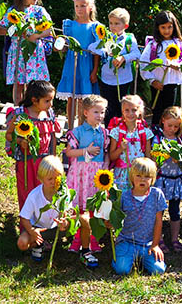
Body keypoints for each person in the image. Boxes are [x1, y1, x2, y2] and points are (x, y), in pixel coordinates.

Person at [17, 155, 98, 268]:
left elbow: (68, 211)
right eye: (50, 179)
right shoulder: (34, 195)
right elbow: (24, 217)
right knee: (22, 243)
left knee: (85, 219)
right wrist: (32, 231)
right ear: (41, 178)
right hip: (39, 230)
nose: (54, 182)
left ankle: (85, 251)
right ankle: (39, 245)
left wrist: (65, 222)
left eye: (57, 178)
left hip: (58, 228)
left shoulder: (64, 192)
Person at [5, 80, 61, 209]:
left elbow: (52, 137)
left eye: (51, 100)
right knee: (28, 193)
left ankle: (43, 224)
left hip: (45, 163)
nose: (51, 104)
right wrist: (20, 141)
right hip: (27, 163)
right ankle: (27, 225)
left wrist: (53, 158)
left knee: (46, 193)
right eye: (47, 101)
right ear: (35, 100)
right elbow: (9, 135)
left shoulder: (49, 114)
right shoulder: (21, 115)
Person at [64, 94, 108, 253]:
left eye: (102, 112)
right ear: (86, 113)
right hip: (81, 174)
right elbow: (69, 152)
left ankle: (94, 239)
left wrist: (106, 165)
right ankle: (77, 239)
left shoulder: (104, 133)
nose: (100, 116)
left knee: (95, 207)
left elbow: (106, 151)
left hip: (96, 175)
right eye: (96, 112)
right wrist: (85, 151)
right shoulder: (78, 132)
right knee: (79, 208)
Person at [0, 0, 54, 104]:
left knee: (34, 85)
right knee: (18, 83)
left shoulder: (39, 11)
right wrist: (14, 29)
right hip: (18, 51)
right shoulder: (13, 11)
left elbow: (49, 30)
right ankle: (18, 109)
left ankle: (32, 111)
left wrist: (35, 35)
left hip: (35, 52)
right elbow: (1, 30)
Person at [111, 157, 167, 276]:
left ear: (153, 178)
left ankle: (142, 258)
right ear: (132, 177)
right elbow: (116, 220)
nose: (142, 179)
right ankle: (124, 258)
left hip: (147, 243)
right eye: (138, 176)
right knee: (122, 270)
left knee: (158, 270)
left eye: (147, 177)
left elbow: (158, 222)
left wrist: (155, 244)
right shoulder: (124, 197)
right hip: (126, 241)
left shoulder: (156, 195)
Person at [89, 8, 141, 126]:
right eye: (111, 23)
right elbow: (92, 47)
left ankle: (122, 133)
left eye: (117, 23)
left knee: (122, 107)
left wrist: (123, 58)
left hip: (123, 79)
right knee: (108, 108)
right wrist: (104, 51)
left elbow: (137, 54)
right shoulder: (106, 37)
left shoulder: (129, 39)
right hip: (107, 79)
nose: (113, 26)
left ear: (125, 26)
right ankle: (109, 133)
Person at [55, 0, 100, 126]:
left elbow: (97, 52)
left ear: (90, 7)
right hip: (71, 63)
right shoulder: (70, 25)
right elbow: (65, 45)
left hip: (86, 65)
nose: (79, 9)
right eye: (77, 6)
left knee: (83, 99)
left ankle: (80, 126)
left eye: (83, 6)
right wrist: (60, 45)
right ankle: (69, 127)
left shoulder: (95, 27)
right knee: (71, 97)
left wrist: (95, 70)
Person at [140, 10, 182, 126]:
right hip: (158, 84)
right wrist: (152, 80)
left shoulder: (178, 43)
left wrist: (179, 66)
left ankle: (168, 135)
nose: (167, 31)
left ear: (174, 27)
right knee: (157, 112)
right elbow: (143, 63)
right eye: (163, 27)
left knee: (170, 112)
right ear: (158, 28)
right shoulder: (153, 44)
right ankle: (156, 136)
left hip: (172, 83)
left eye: (169, 27)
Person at [153, 106, 182, 253]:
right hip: (162, 179)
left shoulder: (181, 139)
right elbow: (154, 157)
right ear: (163, 121)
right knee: (159, 210)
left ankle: (174, 239)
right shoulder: (158, 138)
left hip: (176, 179)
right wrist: (164, 155)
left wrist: (180, 157)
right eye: (170, 125)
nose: (172, 129)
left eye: (176, 126)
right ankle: (158, 239)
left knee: (175, 210)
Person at [108, 95, 154, 191]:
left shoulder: (145, 132)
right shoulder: (116, 132)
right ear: (122, 111)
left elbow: (148, 156)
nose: (130, 113)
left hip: (140, 174)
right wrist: (120, 149)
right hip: (122, 174)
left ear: (140, 111)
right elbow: (112, 156)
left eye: (134, 110)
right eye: (127, 110)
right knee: (122, 201)